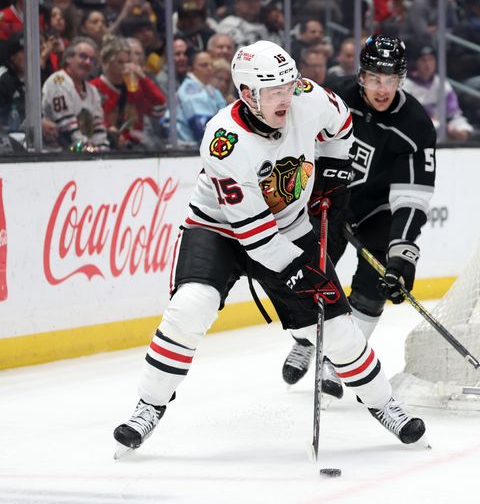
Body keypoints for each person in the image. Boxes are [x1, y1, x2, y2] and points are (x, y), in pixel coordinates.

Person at [112, 40, 427, 454]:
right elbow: (255, 236)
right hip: (219, 230)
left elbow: (342, 125)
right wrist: (299, 270)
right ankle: (148, 406)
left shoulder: (307, 97)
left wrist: (332, 175)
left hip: (290, 226)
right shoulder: (224, 141)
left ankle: (385, 404)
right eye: (274, 91)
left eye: (289, 85)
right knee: (192, 306)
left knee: (336, 329)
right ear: (247, 94)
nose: (286, 97)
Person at [281, 35, 437, 398]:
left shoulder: (415, 125)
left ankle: (338, 361)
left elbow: (412, 197)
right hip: (327, 200)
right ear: (361, 75)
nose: (382, 90)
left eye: (390, 80)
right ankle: (307, 339)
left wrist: (403, 255)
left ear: (401, 79)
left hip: (376, 210)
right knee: (310, 273)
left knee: (375, 281)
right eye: (373, 79)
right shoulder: (331, 98)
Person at [90, 35, 166, 150]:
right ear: (107, 63)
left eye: (128, 61)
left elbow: (160, 107)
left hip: (136, 147)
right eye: (120, 62)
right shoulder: (94, 87)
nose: (126, 66)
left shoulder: (136, 86)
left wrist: (143, 78)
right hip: (106, 146)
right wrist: (109, 133)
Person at [41, 37, 110, 152]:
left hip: (84, 153)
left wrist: (102, 149)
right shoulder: (58, 81)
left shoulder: (92, 90)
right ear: (68, 58)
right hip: (56, 154)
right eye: (83, 56)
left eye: (92, 60)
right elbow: (67, 129)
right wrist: (91, 151)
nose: (88, 62)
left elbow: (98, 128)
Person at [403, 42, 473, 141]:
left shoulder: (441, 84)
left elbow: (454, 114)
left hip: (442, 127)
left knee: (463, 129)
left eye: (431, 60)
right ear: (416, 63)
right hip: (415, 133)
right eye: (423, 60)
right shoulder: (405, 86)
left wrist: (455, 128)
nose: (427, 64)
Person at [175, 50, 226, 143]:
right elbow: (202, 130)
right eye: (204, 65)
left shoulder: (211, 89)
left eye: (211, 65)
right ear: (190, 68)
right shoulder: (189, 91)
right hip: (190, 149)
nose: (209, 68)